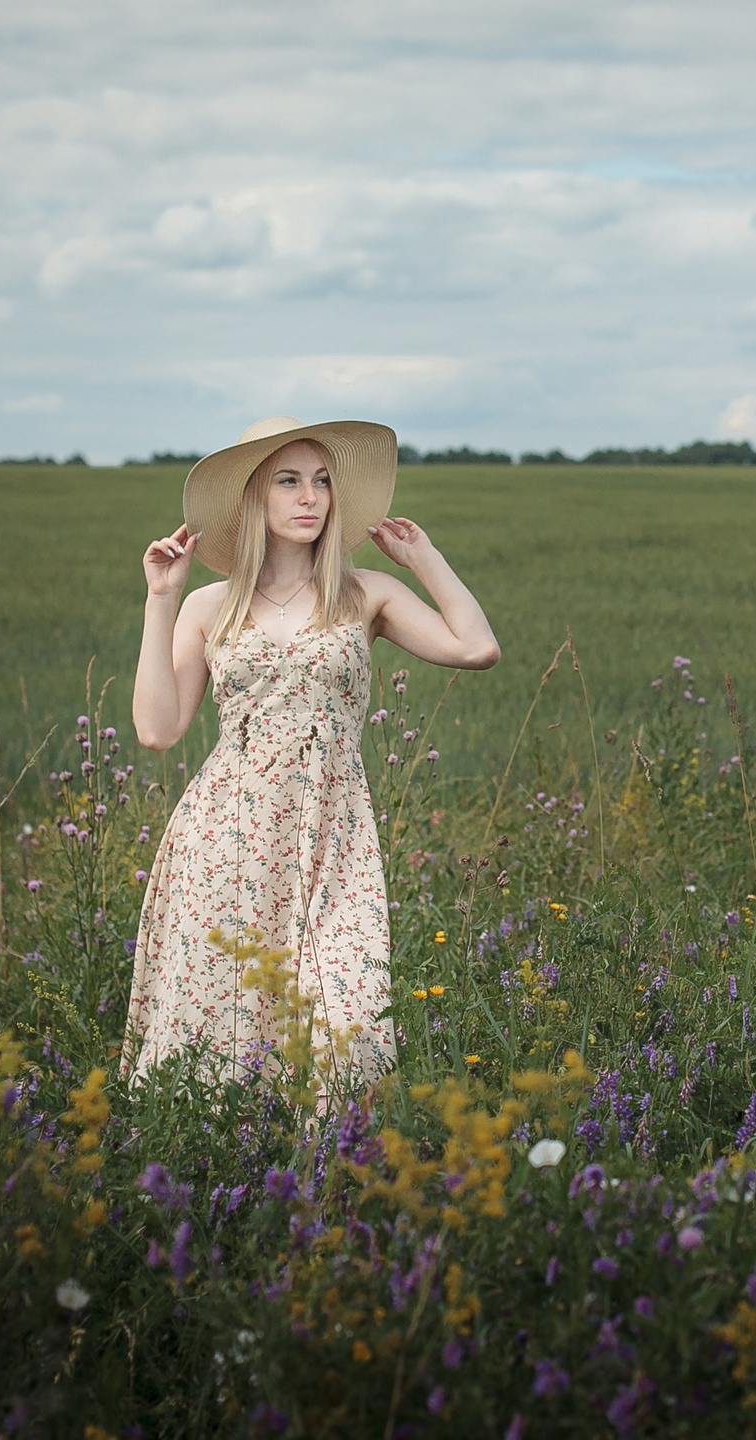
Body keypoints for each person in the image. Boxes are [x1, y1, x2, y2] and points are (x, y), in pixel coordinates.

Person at [123, 417, 498, 1095]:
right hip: (226, 838)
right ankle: (217, 1180)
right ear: (254, 498)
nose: (311, 498)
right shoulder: (209, 605)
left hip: (333, 830)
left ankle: (329, 1175)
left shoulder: (366, 595)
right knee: (223, 1024)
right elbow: (157, 729)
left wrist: (423, 558)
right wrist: (160, 601)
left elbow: (476, 648)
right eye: (289, 482)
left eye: (322, 482)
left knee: (346, 1019)